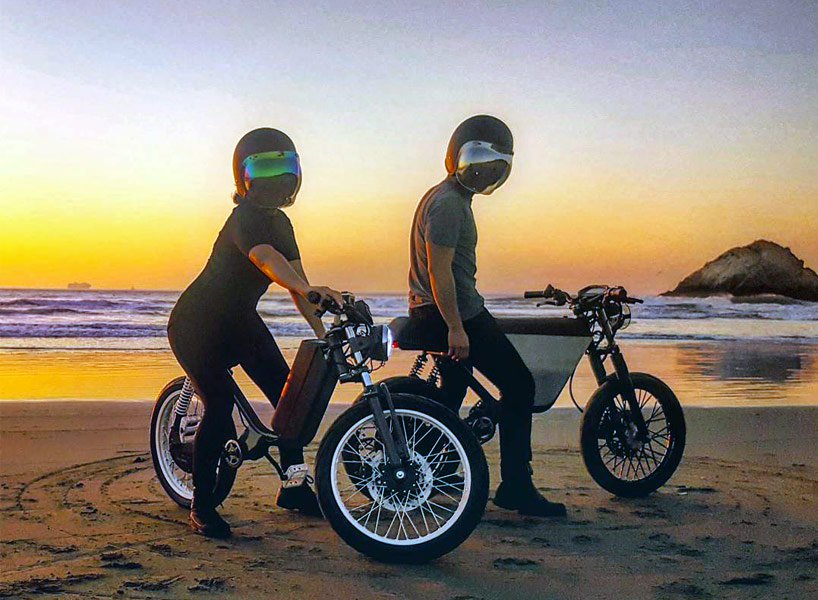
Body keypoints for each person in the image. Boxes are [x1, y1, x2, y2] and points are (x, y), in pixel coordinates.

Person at [168, 127, 344, 538]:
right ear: (244, 177)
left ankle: (293, 486)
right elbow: (267, 260)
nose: (276, 178)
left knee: (290, 396)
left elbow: (299, 282)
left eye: (284, 168)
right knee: (219, 403)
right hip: (196, 324)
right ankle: (202, 505)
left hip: (240, 322)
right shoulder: (242, 219)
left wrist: (322, 330)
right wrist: (300, 285)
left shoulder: (282, 223)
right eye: (264, 169)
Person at [406, 115, 567, 517]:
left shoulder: (450, 199)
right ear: (460, 158)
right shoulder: (447, 204)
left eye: (496, 167)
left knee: (451, 395)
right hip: (454, 314)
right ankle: (516, 486)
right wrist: (456, 327)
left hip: (441, 311)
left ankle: (431, 466)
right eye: (482, 163)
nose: (488, 173)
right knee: (519, 385)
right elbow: (439, 271)